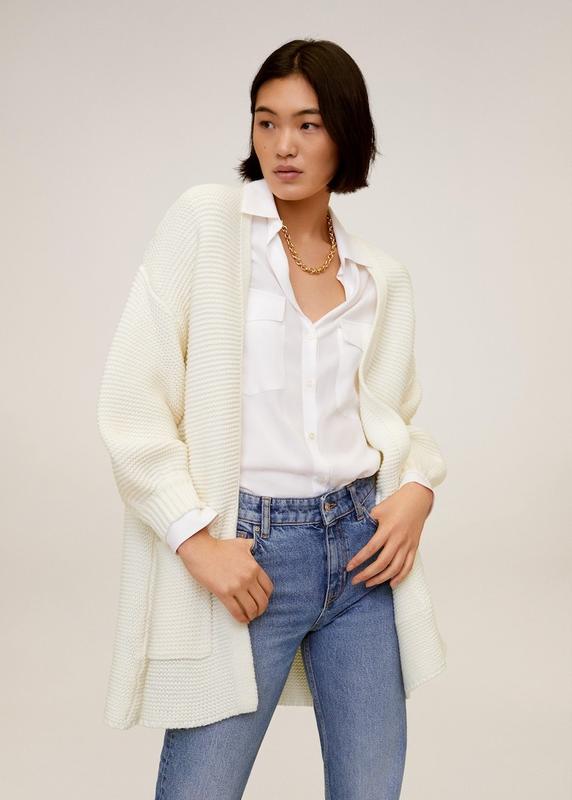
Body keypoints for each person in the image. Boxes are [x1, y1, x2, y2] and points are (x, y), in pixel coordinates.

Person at [97, 38, 447, 800]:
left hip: (362, 557)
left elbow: (397, 420)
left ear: (345, 135)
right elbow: (130, 406)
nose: (283, 145)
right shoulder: (207, 225)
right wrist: (196, 542)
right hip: (253, 553)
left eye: (308, 124)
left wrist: (418, 489)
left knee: (370, 789)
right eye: (267, 121)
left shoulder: (380, 278)